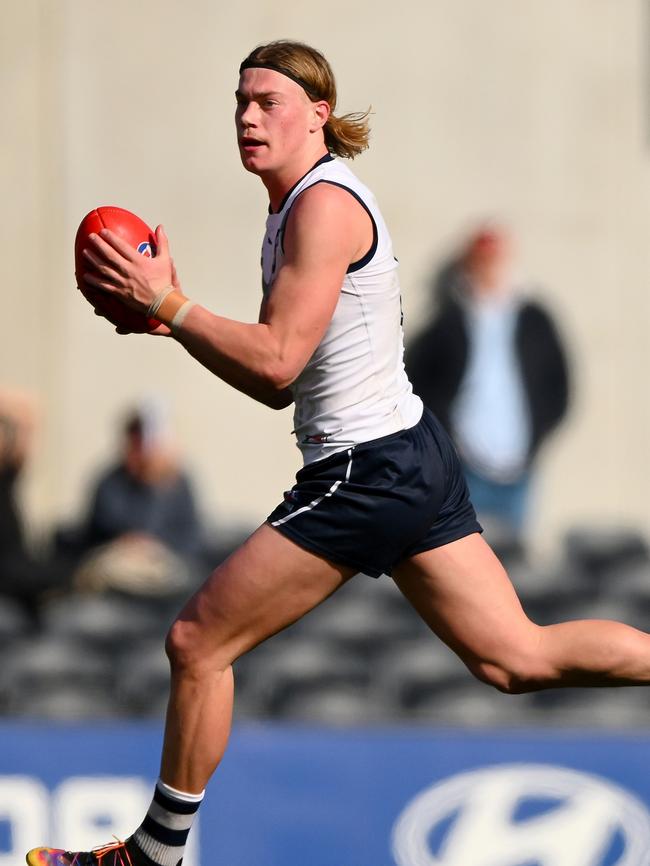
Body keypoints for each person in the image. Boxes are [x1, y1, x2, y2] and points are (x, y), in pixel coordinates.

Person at [27, 40, 650, 866]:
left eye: (269, 102)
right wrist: (164, 316)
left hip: (368, 469)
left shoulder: (323, 207)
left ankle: (152, 857)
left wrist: (169, 304)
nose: (249, 117)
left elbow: (277, 360)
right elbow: (276, 383)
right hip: (404, 456)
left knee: (196, 643)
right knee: (516, 659)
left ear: (318, 113)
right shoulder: (291, 209)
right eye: (240, 102)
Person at [407, 226, 570, 541]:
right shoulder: (447, 321)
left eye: (494, 262)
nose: (489, 272)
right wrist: (447, 443)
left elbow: (559, 385)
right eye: (481, 263)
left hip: (520, 464)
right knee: (467, 549)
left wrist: (538, 435)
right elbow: (420, 386)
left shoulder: (534, 319)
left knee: (514, 557)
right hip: (465, 466)